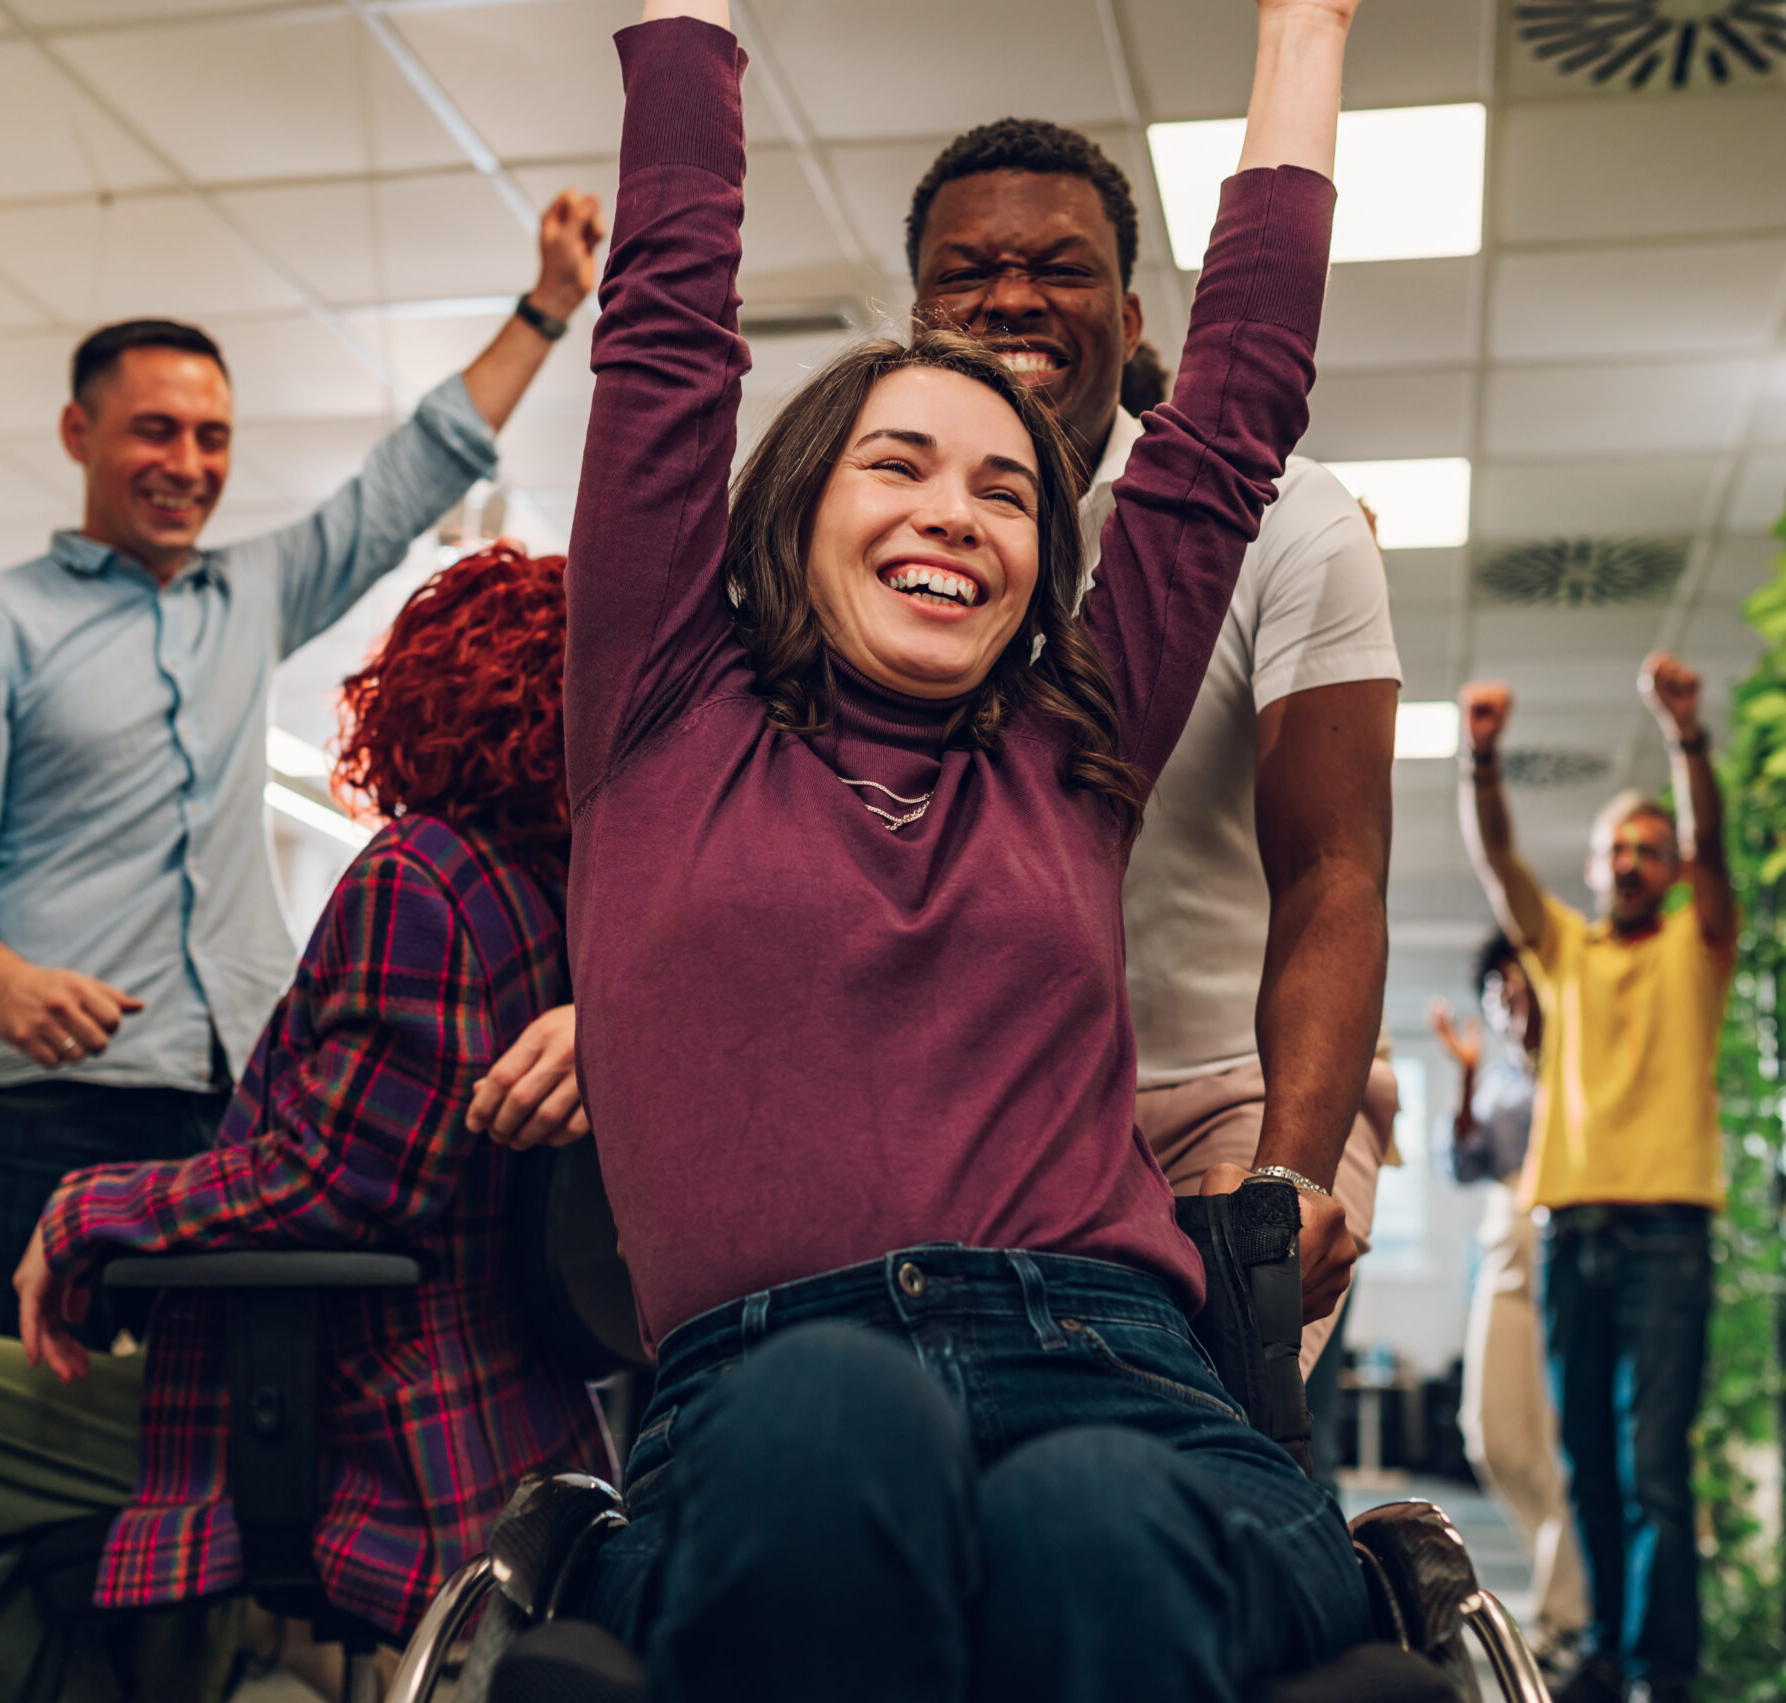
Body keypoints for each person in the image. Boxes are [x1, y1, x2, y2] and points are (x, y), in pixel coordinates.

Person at [553, 1, 1368, 1697]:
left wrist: (1309, 26)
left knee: (1092, 1511)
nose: (955, 510)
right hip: (773, 1397)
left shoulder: (1075, 756)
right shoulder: (659, 718)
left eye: (1007, 491)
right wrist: (692, 30)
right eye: (901, 463)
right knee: (831, 1416)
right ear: (798, 504)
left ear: (1039, 561)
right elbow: (667, 331)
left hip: (1121, 1381)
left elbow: (1230, 414)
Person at [0, 543, 609, 1703]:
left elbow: (341, 1185)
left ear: (438, 685)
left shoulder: (422, 875)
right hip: (501, 1421)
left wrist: (89, 1208)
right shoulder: (570, 901)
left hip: (349, 1418)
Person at [0, 193, 605, 1342]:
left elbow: (408, 477)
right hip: (41, 1106)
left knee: (203, 1440)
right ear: (78, 433)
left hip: (232, 1109)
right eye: (155, 430)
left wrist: (548, 306)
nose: (188, 462)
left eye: (211, 437)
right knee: (22, 1437)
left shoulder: (247, 595)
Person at [904, 117, 1400, 1369]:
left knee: (1193, 1453)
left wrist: (1282, 1181)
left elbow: (1333, 872)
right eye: (966, 270)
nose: (1011, 295)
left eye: (1059, 268)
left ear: (1128, 321)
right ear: (914, 320)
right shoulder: (877, 543)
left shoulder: (1288, 522)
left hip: (1232, 1085)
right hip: (987, 1097)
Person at [1456, 655, 1733, 1703]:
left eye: (1648, 847)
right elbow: (1497, 865)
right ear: (1593, 862)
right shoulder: (1564, 950)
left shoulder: (1696, 946)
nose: (1629, 859)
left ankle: (1664, 1670)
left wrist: (1684, 738)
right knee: (1590, 1468)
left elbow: (1714, 850)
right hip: (1572, 1232)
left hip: (1667, 1233)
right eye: (1615, 846)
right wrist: (1481, 759)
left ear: (1669, 866)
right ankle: (1608, 1658)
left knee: (1655, 1466)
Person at [1431, 934, 1587, 1664]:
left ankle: (1564, 1615)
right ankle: (1571, 1586)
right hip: (1502, 1252)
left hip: (1563, 1247)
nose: (1507, 999)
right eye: (1497, 990)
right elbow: (1461, 1162)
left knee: (1557, 1446)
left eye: (1518, 985)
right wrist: (1463, 1080)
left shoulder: (1577, 1064)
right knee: (1490, 1436)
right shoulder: (1495, 1082)